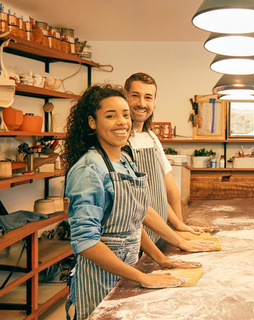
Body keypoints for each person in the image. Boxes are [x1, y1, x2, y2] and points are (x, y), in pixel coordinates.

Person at [62, 84, 202, 320]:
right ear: (92, 122)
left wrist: (162, 260)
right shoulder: (89, 170)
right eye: (111, 115)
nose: (122, 122)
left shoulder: (125, 160)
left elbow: (134, 220)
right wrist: (142, 276)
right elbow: (86, 243)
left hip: (128, 271)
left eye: (125, 115)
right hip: (99, 281)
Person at [124, 72, 207, 245]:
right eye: (135, 96)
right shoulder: (120, 141)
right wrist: (177, 236)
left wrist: (179, 226)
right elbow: (133, 204)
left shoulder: (152, 138)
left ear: (154, 103)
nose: (141, 103)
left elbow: (165, 192)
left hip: (159, 233)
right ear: (124, 97)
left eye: (148, 97)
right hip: (135, 238)